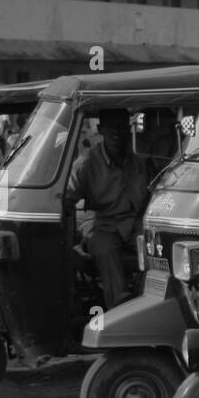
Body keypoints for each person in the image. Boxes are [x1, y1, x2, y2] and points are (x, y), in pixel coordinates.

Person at [63, 109, 150, 308]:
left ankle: (149, 302)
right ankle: (119, 307)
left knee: (156, 246)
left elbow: (148, 199)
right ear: (101, 129)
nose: (116, 132)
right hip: (102, 224)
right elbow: (67, 199)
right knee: (106, 250)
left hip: (134, 224)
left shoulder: (138, 162)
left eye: (121, 126)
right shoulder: (86, 164)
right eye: (111, 127)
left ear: (129, 129)